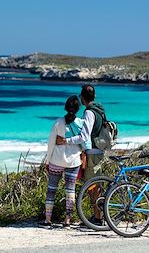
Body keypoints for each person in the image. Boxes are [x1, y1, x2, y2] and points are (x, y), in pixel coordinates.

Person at [56, 84, 107, 223]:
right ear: (94, 96)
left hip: (93, 152)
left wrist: (66, 141)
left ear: (82, 98)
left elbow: (84, 136)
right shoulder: (100, 110)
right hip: (100, 151)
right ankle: (99, 216)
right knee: (96, 185)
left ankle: (98, 218)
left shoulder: (89, 113)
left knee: (92, 186)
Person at [40, 95, 90, 228]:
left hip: (56, 160)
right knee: (70, 191)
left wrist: (48, 160)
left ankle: (48, 219)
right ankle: (67, 220)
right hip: (73, 161)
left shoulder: (58, 122)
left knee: (51, 189)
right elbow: (84, 141)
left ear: (66, 107)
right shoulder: (80, 123)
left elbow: (51, 143)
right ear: (78, 108)